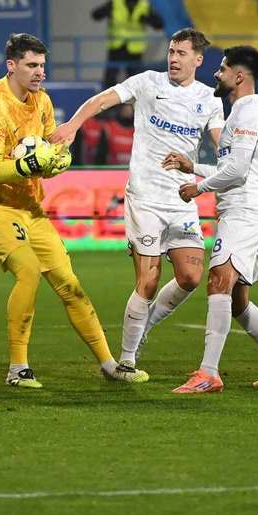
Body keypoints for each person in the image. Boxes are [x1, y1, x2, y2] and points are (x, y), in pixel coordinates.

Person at [0, 33, 148, 388]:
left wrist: (57, 160)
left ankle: (109, 364)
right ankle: (17, 369)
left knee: (69, 283)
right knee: (28, 272)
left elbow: (51, 149)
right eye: (32, 66)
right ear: (12, 65)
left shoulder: (42, 102)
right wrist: (30, 165)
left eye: (42, 66)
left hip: (29, 206)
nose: (40, 73)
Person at [50, 28, 224, 373]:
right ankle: (126, 360)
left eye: (182, 54)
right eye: (171, 52)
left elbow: (222, 145)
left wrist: (229, 176)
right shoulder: (148, 82)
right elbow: (101, 100)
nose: (173, 58)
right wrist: (72, 125)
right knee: (148, 280)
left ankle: (144, 327)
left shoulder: (210, 99)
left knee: (190, 276)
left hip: (182, 198)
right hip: (145, 196)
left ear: (198, 60)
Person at [164, 45, 258, 393]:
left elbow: (238, 171)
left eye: (223, 69)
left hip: (243, 210)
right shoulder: (239, 115)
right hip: (239, 208)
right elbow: (232, 168)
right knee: (239, 300)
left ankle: (209, 373)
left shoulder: (249, 114)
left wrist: (198, 188)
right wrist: (193, 166)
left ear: (239, 76)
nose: (217, 74)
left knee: (217, 281)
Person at [92, 0, 164, 88]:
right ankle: (109, 102)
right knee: (110, 76)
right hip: (117, 46)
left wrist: (148, 19)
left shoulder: (144, 6)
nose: (131, 4)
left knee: (134, 79)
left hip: (134, 48)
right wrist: (104, 12)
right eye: (129, 2)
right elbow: (95, 15)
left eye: (133, 2)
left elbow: (159, 24)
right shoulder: (115, 3)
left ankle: (134, 102)